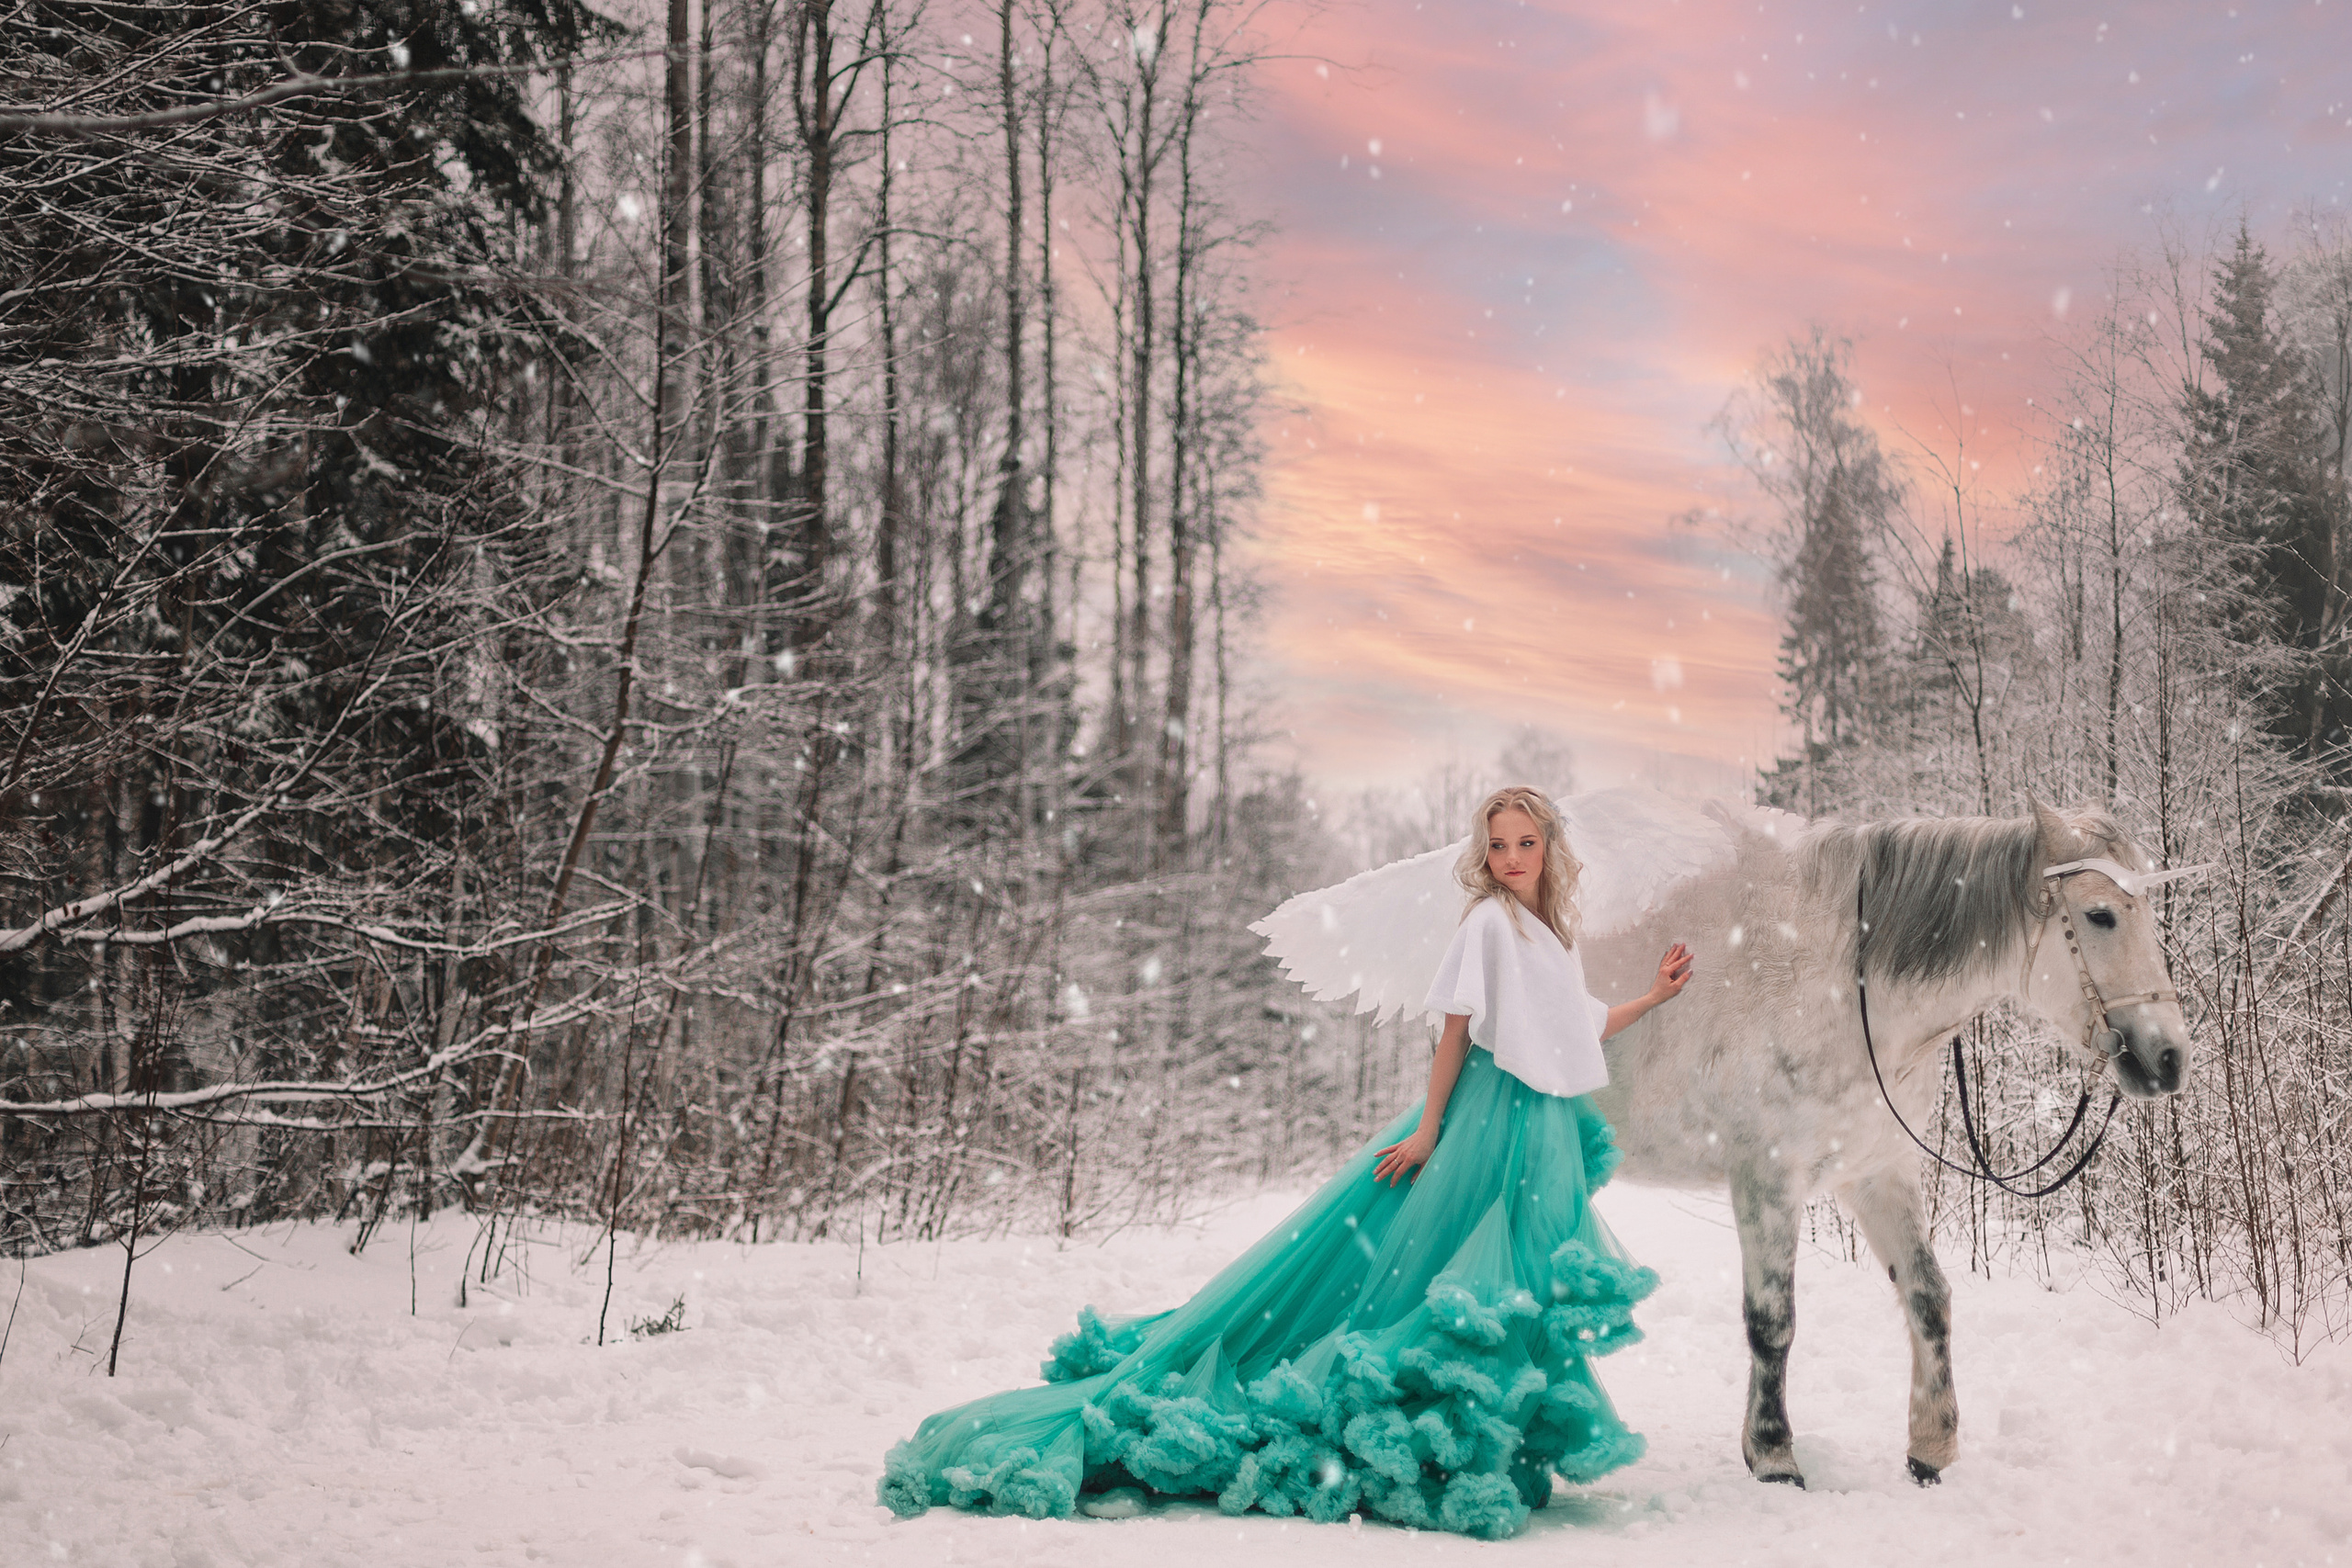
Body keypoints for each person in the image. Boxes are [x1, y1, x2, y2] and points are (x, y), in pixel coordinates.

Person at [876, 785, 1694, 1540]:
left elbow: (1573, 1029)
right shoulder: (1484, 923)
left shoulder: (1547, 933)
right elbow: (1455, 1031)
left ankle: (1489, 1434)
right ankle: (1428, 1423)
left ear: (1547, 849)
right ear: (1485, 855)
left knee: (1514, 1279)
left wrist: (1654, 996)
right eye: (1500, 845)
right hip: (1482, 1117)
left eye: (1526, 842)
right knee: (1441, 1278)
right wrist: (1428, 1130)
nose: (1513, 857)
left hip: (1535, 1127)